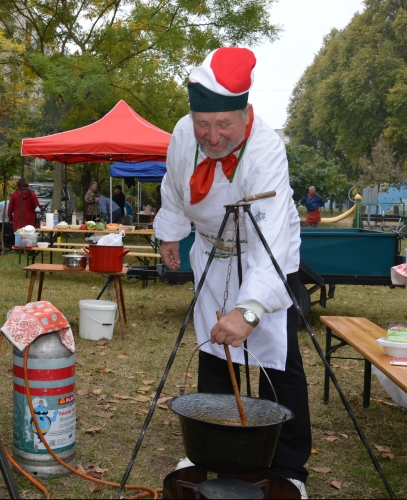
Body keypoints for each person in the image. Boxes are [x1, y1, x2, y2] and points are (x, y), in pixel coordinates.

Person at [154, 48, 310, 498]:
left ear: (246, 114)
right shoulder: (185, 133)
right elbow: (173, 183)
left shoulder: (265, 149)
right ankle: (212, 455)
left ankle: (289, 467)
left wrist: (252, 307)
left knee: (277, 364)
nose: (212, 135)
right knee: (214, 352)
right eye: (204, 123)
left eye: (224, 124)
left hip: (265, 254)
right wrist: (169, 233)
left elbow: (274, 235)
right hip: (212, 250)